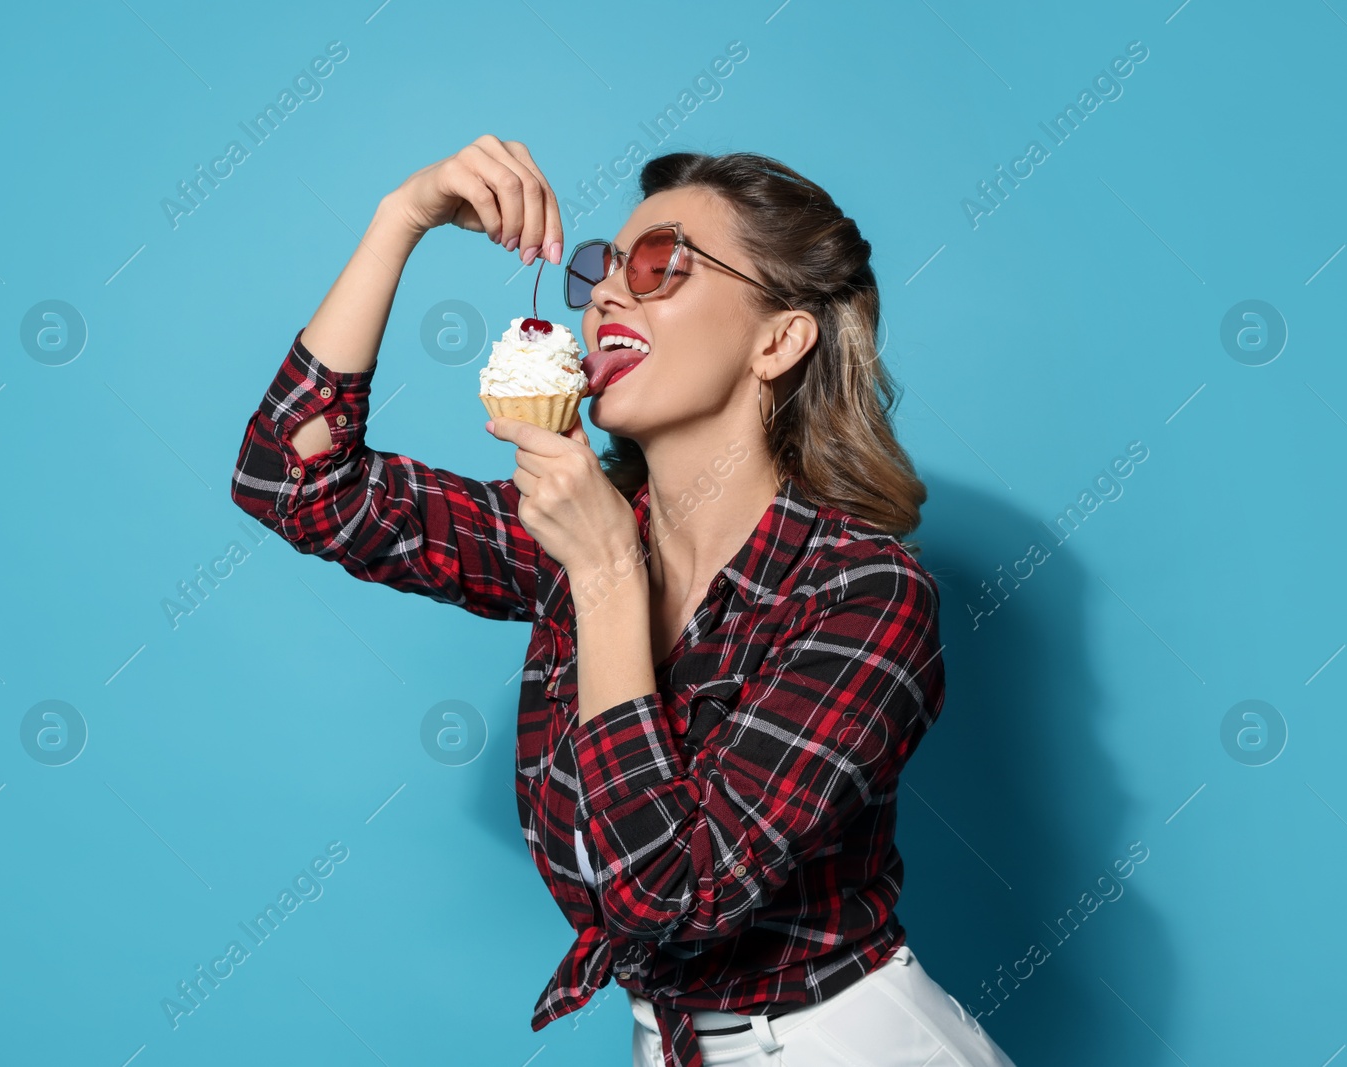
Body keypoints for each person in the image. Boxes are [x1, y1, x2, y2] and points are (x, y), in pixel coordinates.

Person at [230, 134, 1017, 1067]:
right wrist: (401, 218)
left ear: (780, 338)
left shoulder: (865, 594)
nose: (605, 293)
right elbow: (292, 478)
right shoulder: (576, 536)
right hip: (671, 1044)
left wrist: (606, 578)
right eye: (602, 268)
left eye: (658, 266)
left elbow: (671, 894)